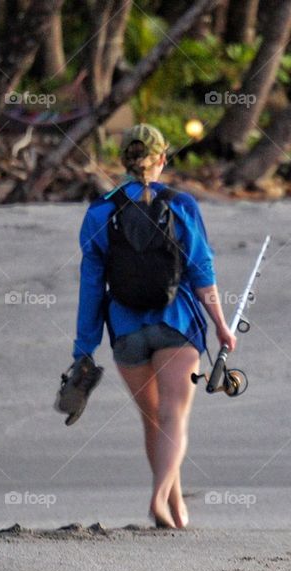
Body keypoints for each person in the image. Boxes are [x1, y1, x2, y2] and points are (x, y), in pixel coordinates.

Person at [70, 124, 236, 529]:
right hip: (177, 325)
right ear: (162, 159)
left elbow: (92, 286)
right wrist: (220, 323)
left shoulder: (99, 212)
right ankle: (160, 497)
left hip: (126, 331)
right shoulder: (181, 205)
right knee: (174, 416)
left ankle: (177, 512)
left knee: (153, 420)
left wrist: (84, 348)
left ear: (123, 161)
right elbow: (201, 270)